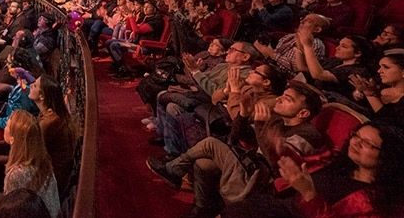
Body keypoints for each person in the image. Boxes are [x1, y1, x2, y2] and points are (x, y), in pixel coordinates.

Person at [148, 81, 326, 218]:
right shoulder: (278, 120)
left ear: (303, 113)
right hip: (249, 164)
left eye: (287, 99)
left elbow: (277, 162)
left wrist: (260, 124)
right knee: (203, 163)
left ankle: (173, 170)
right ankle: (203, 208)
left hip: (264, 180)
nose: (279, 99)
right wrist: (243, 114)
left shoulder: (307, 134)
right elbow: (237, 138)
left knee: (211, 143)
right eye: (282, 95)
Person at [224, 123, 404, 218]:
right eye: (356, 135)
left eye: (367, 144)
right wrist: (280, 149)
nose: (356, 142)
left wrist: (309, 194)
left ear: (386, 157)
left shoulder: (377, 202)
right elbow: (304, 164)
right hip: (284, 204)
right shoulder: (340, 162)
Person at [0, 110, 60, 218]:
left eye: (7, 126)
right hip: (51, 213)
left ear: (13, 139)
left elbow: (10, 210)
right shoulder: (42, 159)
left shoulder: (17, 174)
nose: (4, 128)